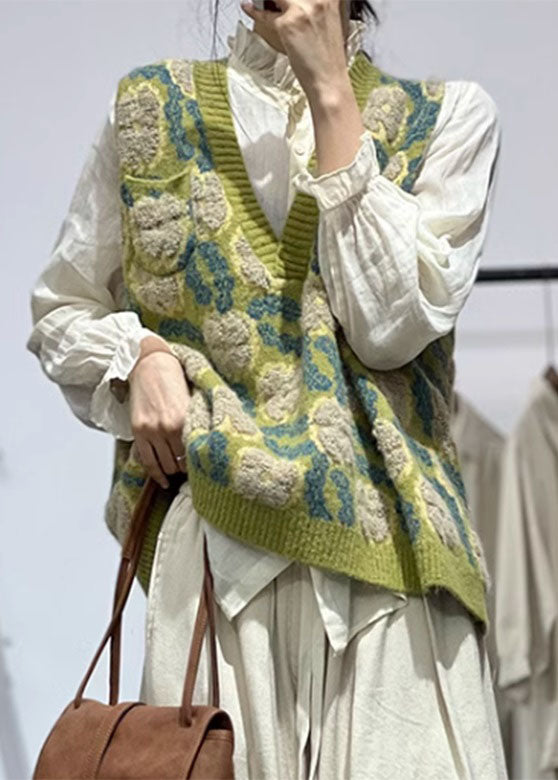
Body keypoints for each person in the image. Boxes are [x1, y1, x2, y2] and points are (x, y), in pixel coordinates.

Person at [26, 1, 507, 777]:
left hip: (392, 574)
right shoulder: (150, 108)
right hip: (219, 561)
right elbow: (62, 308)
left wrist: (330, 90)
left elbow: (387, 326)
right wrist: (138, 354)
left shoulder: (447, 119)